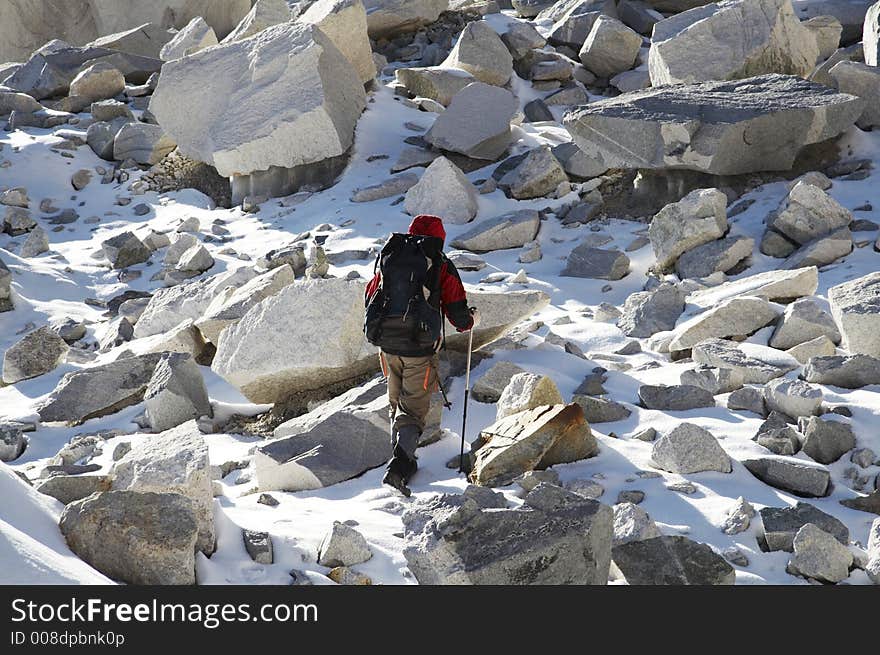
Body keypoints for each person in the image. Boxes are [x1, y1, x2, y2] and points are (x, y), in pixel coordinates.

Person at [364, 214, 478, 496]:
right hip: (419, 349)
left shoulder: (392, 255)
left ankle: (402, 458)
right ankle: (400, 468)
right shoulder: (439, 263)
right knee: (412, 411)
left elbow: (371, 295)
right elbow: (459, 314)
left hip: (386, 346)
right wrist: (469, 320)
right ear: (440, 239)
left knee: (396, 405)